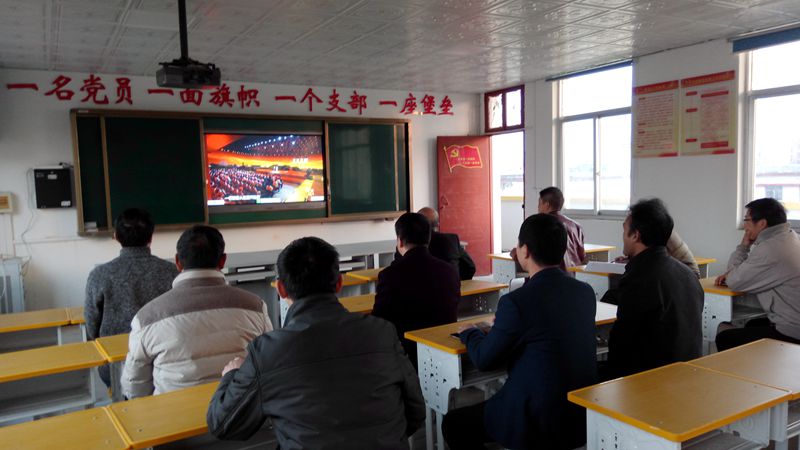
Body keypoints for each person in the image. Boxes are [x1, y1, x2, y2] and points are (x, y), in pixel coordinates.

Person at [206, 237, 426, 449]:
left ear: (281, 289)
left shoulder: (267, 352)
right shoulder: (382, 332)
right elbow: (415, 410)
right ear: (339, 283)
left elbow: (223, 423)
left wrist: (230, 375)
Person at [442, 214, 597, 450]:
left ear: (525, 250)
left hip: (534, 417)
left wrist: (470, 332)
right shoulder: (584, 292)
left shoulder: (516, 302)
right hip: (579, 414)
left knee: (454, 424)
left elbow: (484, 359)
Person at [121, 225, 272, 398]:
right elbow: (269, 362)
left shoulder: (146, 317)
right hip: (240, 410)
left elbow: (134, 387)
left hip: (175, 412)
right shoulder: (256, 306)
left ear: (178, 262)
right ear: (223, 261)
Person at [601, 198, 703, 380]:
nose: (623, 236)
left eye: (624, 230)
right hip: (689, 374)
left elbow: (622, 345)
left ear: (636, 235)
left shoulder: (640, 278)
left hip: (653, 380)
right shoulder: (688, 274)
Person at [84, 208, 178, 387]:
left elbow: (91, 325)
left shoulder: (100, 275)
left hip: (116, 365)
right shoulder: (170, 271)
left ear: (116, 236)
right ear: (151, 237)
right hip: (163, 363)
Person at [374, 212, 461, 366]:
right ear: (428, 239)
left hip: (407, 352)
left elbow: (380, 320)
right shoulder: (450, 271)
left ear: (400, 241)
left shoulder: (389, 275)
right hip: (444, 347)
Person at [715, 198, 800, 350]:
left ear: (762, 223)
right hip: (793, 321)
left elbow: (734, 281)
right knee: (752, 324)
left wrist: (743, 247)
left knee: (725, 337)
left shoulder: (770, 249)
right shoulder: (791, 237)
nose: (744, 226)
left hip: (793, 330)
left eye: (746, 220)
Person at [417, 206, 476, 280]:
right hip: (451, 284)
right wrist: (456, 281)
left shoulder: (412, 241)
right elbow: (470, 267)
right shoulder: (451, 240)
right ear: (438, 225)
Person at [538, 186, 587, 270]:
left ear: (546, 205)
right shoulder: (576, 226)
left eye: (539, 204)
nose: (538, 208)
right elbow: (582, 257)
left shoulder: (540, 225)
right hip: (575, 274)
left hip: (553, 274)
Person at [615, 230, 700, 278]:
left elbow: (655, 257)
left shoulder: (662, 232)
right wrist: (630, 259)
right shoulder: (653, 230)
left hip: (686, 277)